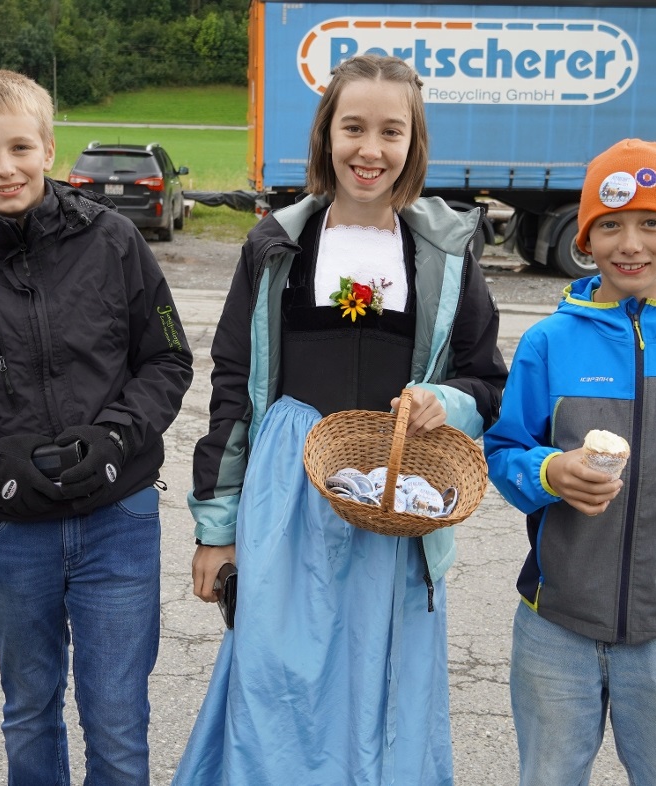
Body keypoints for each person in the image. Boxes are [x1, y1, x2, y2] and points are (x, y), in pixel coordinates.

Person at [174, 54, 507, 784]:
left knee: (381, 692)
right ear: (327, 134)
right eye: (353, 127)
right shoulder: (274, 248)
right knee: (276, 681)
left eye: (392, 131)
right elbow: (234, 386)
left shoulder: (447, 254)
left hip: (397, 496)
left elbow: (486, 383)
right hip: (287, 496)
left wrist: (439, 402)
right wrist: (217, 527)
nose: (371, 149)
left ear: (414, 143)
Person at [0, 69, 193, 784]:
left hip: (117, 520)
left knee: (118, 717)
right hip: (9, 529)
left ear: (49, 149)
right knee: (29, 707)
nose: (5, 168)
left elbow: (168, 358)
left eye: (21, 147)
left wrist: (119, 437)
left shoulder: (116, 242)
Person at [482, 138, 656, 786]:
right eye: (609, 225)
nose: (630, 244)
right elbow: (504, 451)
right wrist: (548, 472)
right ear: (586, 236)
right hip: (556, 625)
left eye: (651, 223)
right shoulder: (550, 341)